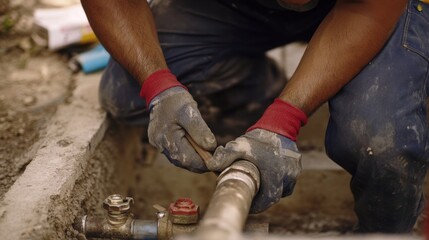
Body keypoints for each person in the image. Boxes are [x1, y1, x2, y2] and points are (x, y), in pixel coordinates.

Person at [81, 0, 429, 233]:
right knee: (128, 95)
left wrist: (286, 118)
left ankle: (386, 231)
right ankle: (260, 88)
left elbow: (370, 7)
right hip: (241, 6)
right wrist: (158, 85)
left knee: (382, 142)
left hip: (372, 9)